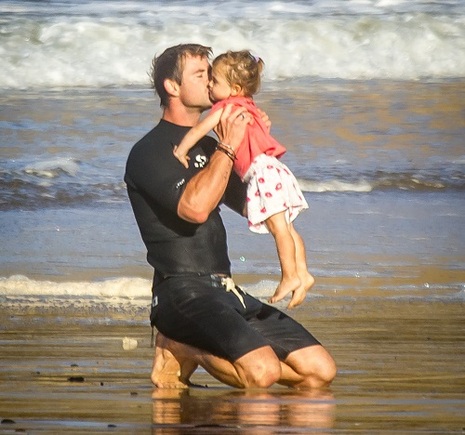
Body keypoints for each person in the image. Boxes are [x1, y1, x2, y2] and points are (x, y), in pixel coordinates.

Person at [124, 43, 336, 389]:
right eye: (200, 74)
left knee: (319, 370)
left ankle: (198, 349)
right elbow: (194, 209)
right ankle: (180, 345)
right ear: (171, 87)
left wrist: (254, 141)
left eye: (211, 73)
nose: (211, 80)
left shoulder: (213, 144)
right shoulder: (149, 151)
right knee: (262, 372)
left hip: (225, 289)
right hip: (180, 292)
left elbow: (257, 206)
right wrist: (227, 146)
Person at [173, 50, 314, 307]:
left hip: (262, 173)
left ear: (234, 88)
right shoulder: (250, 105)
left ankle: (290, 276)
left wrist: (181, 150)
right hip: (275, 169)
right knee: (288, 228)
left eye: (214, 81)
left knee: (278, 229)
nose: (209, 84)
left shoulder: (226, 107)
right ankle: (303, 272)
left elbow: (199, 129)